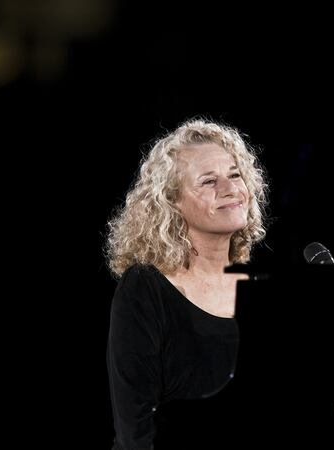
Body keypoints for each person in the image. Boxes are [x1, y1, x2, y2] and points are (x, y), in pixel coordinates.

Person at [104, 118, 269, 449]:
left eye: (235, 175)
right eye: (208, 181)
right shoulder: (144, 289)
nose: (230, 189)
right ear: (172, 201)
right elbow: (134, 431)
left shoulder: (261, 284)